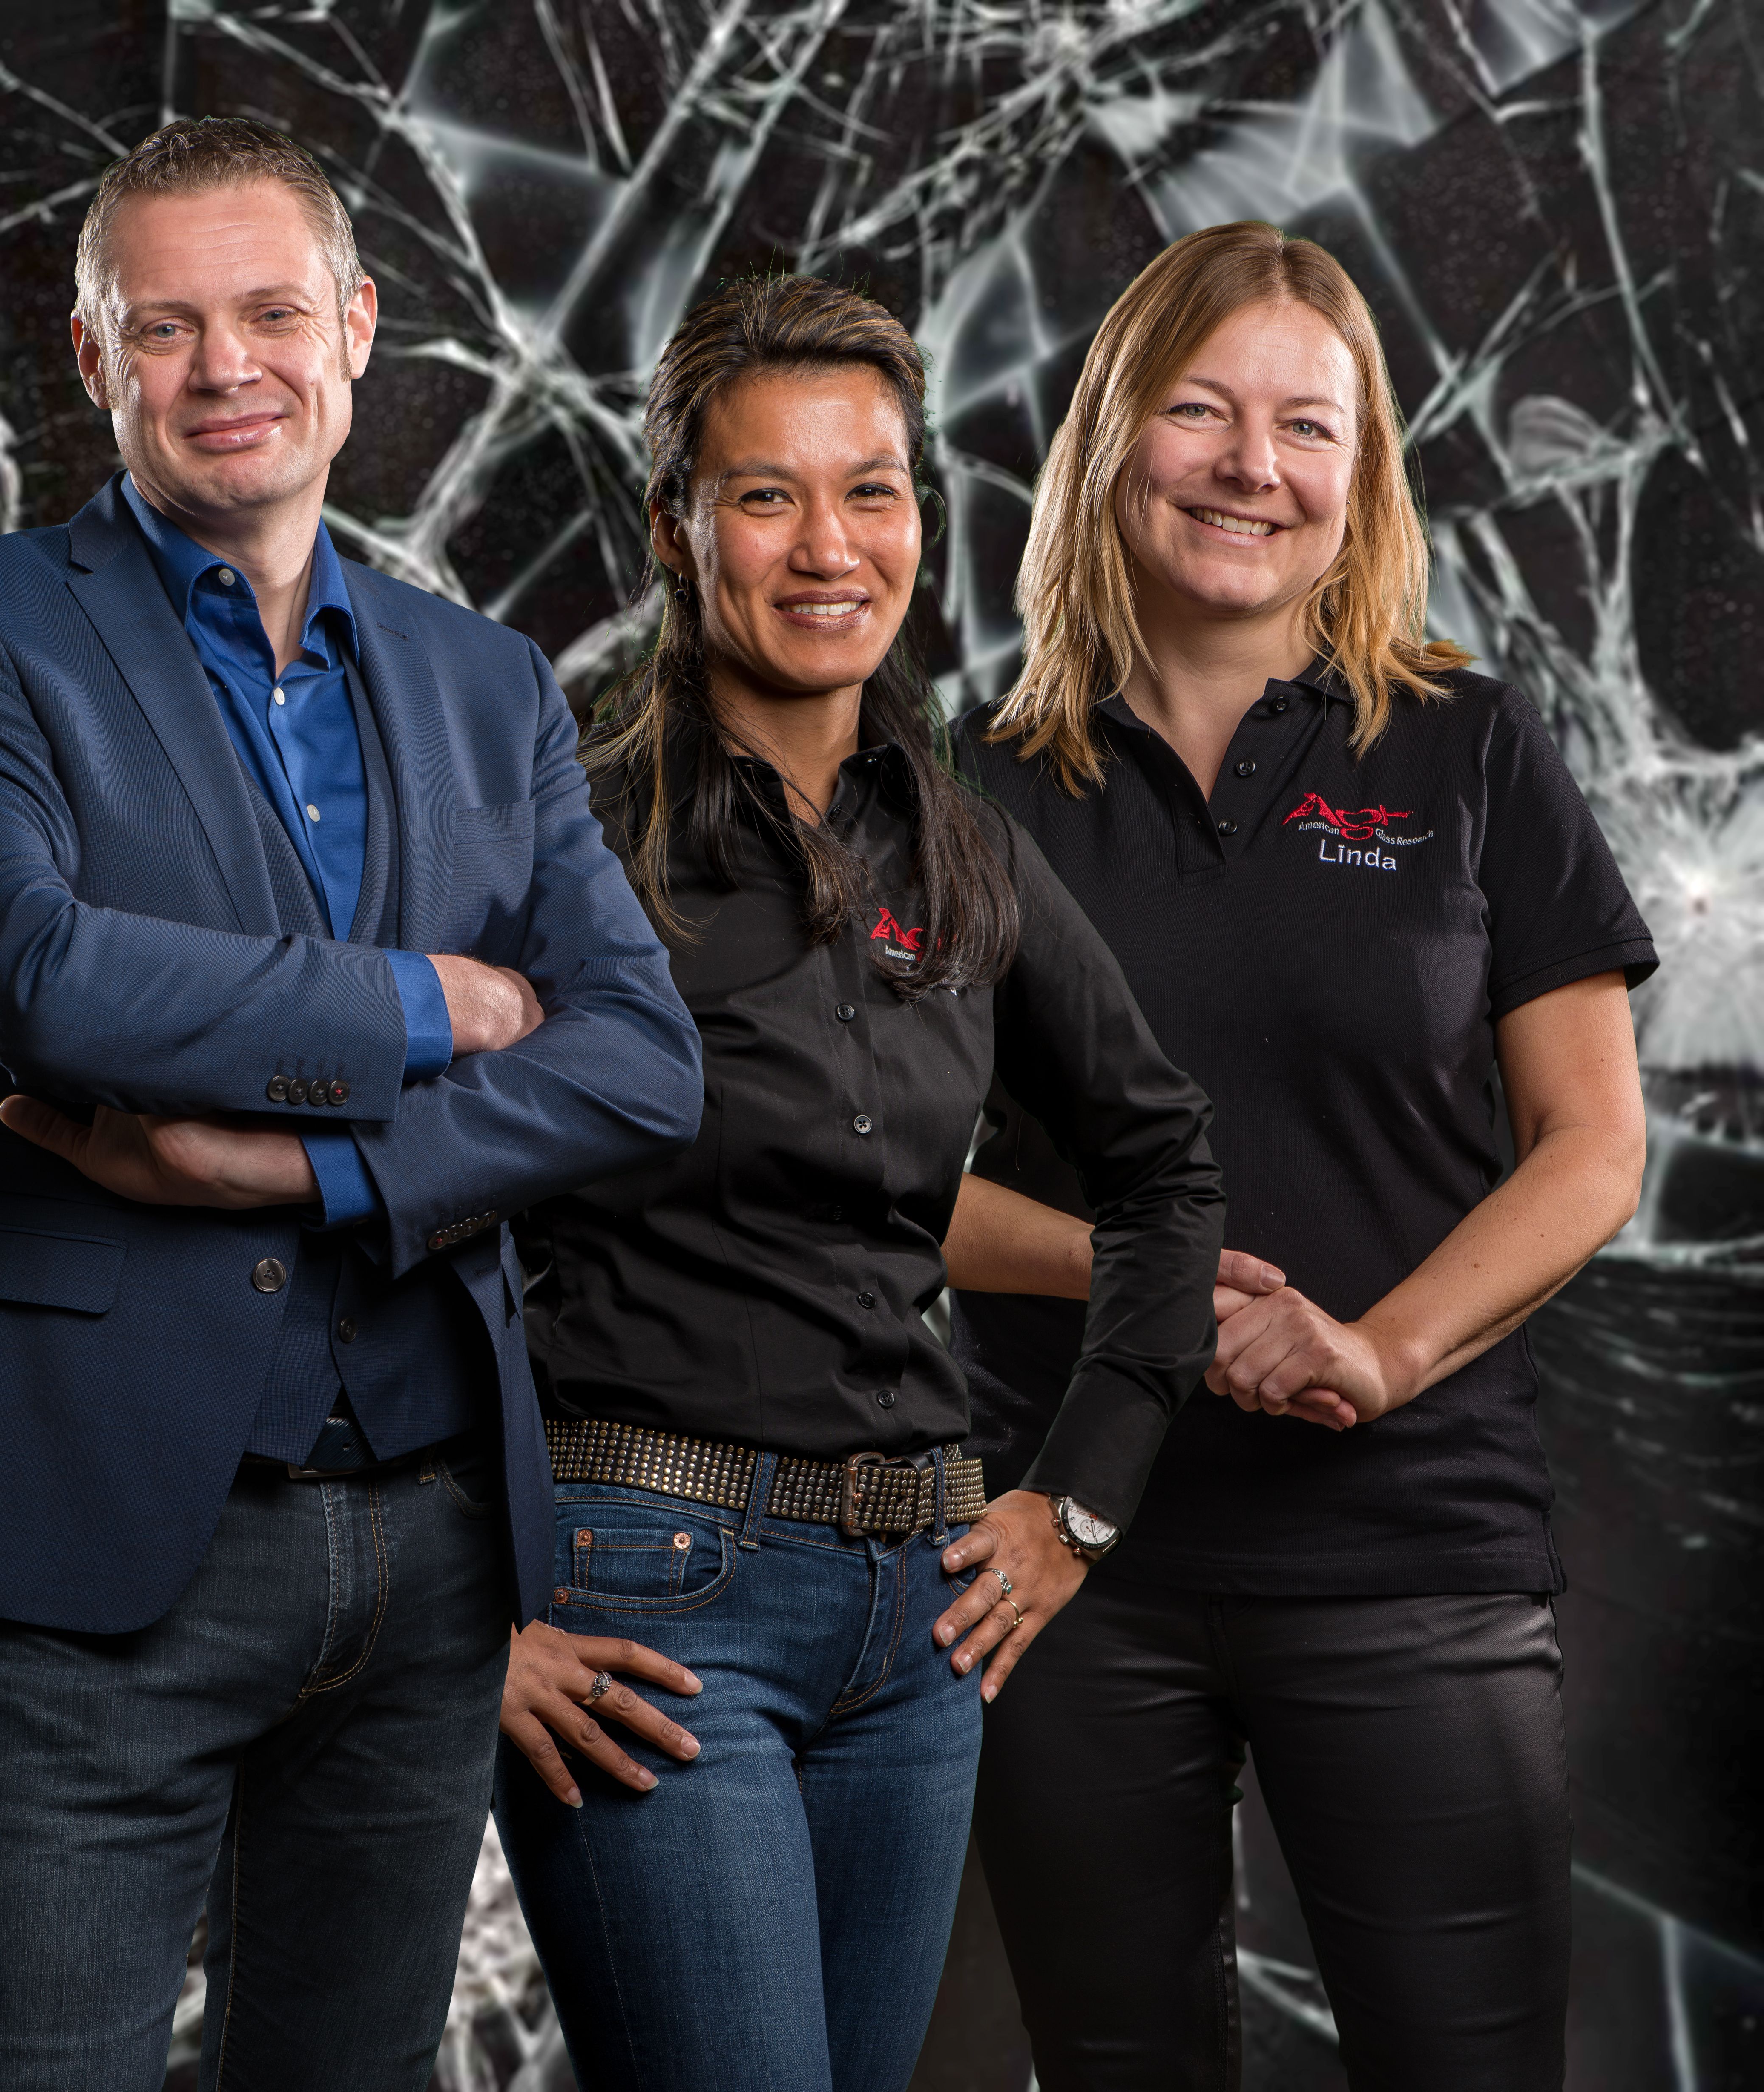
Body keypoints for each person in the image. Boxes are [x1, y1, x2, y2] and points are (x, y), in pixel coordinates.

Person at [0, 116, 702, 2090]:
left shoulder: (487, 682)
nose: (228, 367)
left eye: (272, 314)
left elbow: (644, 1063)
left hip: (435, 1543)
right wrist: (432, 1003)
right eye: (167, 325)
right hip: (91, 1519)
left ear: (357, 327)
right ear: (90, 354)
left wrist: (307, 1165)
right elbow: (46, 978)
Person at [488, 279, 1226, 2092]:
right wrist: (469, 1613)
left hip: (918, 1624)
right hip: (648, 1600)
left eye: (872, 491)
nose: (831, 548)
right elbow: (409, 1219)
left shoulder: (961, 844)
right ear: (676, 529)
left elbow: (1162, 1159)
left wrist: (1081, 1502)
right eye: (767, 496)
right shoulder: (566, 838)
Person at [945, 221, 1653, 2089]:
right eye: (1200, 411)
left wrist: (1380, 1351)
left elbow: (1593, 1144)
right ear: (1113, 436)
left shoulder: (1468, 748)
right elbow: (878, 1173)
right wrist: (1143, 1279)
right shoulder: (969, 783)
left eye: (1306, 426)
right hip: (1069, 1560)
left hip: (1412, 1552)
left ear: (1361, 476)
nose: (1252, 466)